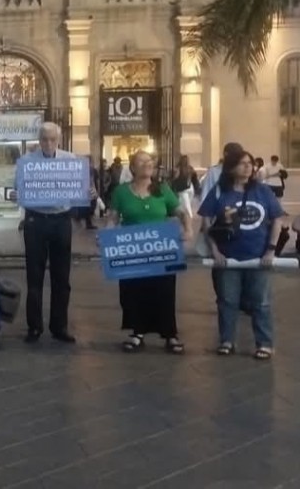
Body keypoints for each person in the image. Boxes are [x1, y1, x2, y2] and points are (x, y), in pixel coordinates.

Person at [199, 150, 285, 360]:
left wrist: (271, 250)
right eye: (242, 164)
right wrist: (215, 250)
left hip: (258, 256)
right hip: (228, 258)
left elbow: (277, 220)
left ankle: (264, 343)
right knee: (227, 301)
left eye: (250, 163)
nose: (248, 167)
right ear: (230, 168)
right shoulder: (220, 191)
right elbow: (207, 223)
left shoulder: (263, 191)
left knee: (260, 302)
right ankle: (227, 340)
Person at [104, 151, 192, 354]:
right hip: (132, 249)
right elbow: (113, 219)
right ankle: (137, 332)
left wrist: (187, 229)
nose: (147, 164)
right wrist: (106, 237)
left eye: (149, 161)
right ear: (132, 168)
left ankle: (170, 334)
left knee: (164, 291)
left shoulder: (162, 190)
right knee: (133, 292)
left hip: (160, 249)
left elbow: (180, 212)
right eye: (141, 162)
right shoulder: (121, 192)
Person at [18, 122, 78, 344]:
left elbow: (79, 188)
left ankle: (59, 326)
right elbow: (19, 188)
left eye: (53, 139)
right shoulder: (26, 162)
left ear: (59, 140)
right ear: (39, 139)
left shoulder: (70, 161)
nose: (48, 143)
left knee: (62, 277)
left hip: (61, 220)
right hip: (35, 220)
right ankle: (34, 326)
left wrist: (88, 192)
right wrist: (19, 194)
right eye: (44, 139)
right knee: (34, 276)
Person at [171, 155, 201, 221]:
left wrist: (172, 183)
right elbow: (195, 179)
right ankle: (188, 216)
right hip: (190, 187)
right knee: (187, 203)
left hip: (182, 188)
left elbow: (175, 178)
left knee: (185, 203)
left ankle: (189, 216)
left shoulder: (178, 168)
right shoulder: (190, 168)